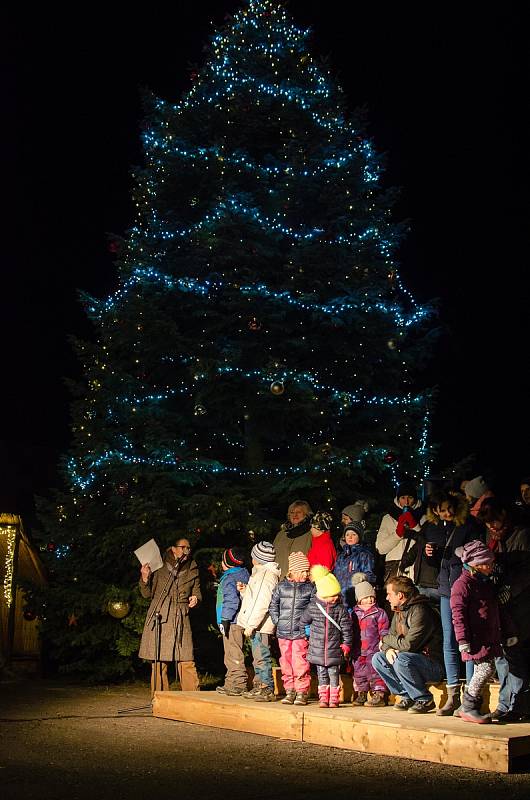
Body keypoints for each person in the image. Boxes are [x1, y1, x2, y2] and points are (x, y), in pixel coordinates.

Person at [410, 489, 480, 715]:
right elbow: (434, 562)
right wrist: (430, 553)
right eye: (441, 511)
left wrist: (460, 554)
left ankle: (471, 695)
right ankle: (453, 696)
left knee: (467, 639)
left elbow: (476, 556)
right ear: (435, 511)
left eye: (450, 509)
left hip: (465, 588)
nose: (446, 514)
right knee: (449, 640)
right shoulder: (433, 528)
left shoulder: (469, 526)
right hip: (445, 589)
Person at [451, 540, 517, 723]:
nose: (489, 567)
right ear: (473, 565)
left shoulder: (485, 583)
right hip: (475, 638)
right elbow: (458, 615)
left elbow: (497, 610)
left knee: (485, 669)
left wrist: (509, 632)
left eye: (490, 563)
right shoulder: (462, 585)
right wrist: (462, 639)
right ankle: (468, 706)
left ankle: (467, 706)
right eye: (484, 564)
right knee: (486, 668)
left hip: (489, 636)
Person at [477, 497, 530, 721]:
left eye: (495, 522)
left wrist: (510, 588)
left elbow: (527, 571)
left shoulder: (522, 534)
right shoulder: (491, 538)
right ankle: (505, 703)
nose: (492, 527)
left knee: (516, 655)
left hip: (521, 604)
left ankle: (518, 705)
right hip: (499, 602)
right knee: (501, 656)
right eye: (488, 524)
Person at [371, 575, 444, 714]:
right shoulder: (399, 611)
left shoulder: (421, 611)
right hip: (411, 661)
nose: (387, 598)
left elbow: (409, 645)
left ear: (400, 595)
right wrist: (387, 650)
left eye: (389, 594)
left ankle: (424, 699)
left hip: (432, 665)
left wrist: (386, 640)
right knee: (378, 658)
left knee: (401, 659)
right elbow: (391, 637)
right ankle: (406, 695)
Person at [138, 537, 202, 692]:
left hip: (181, 616)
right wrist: (145, 577)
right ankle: (160, 699)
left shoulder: (193, 567)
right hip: (161, 615)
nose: (187, 551)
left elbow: (197, 592)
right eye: (183, 547)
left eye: (189, 548)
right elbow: (146, 594)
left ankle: (193, 700)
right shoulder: (158, 565)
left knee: (186, 659)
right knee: (159, 661)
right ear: (173, 549)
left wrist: (196, 599)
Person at [300, 565, 353, 708]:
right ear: (322, 594)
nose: (335, 598)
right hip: (317, 649)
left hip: (334, 649)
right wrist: (307, 634)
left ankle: (334, 698)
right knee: (321, 674)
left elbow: (347, 629)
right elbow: (303, 622)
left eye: (337, 595)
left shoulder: (340, 610)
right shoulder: (313, 607)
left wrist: (346, 644)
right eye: (332, 595)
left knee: (334, 674)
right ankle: (323, 698)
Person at [236, 541, 281, 702]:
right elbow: (254, 598)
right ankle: (258, 685)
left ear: (259, 558)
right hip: (257, 624)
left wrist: (251, 625)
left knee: (262, 656)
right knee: (257, 656)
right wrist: (245, 591)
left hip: (261, 625)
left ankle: (266, 687)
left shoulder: (266, 576)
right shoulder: (259, 574)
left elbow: (262, 603)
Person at [269, 551, 314, 705]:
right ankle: (289, 690)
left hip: (300, 633)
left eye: (307, 572)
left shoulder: (309, 588)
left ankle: (302, 691)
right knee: (286, 661)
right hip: (283, 631)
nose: (306, 574)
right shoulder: (281, 587)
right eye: (303, 571)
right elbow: (273, 605)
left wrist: (307, 625)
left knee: (300, 661)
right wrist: (278, 620)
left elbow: (313, 608)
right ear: (293, 571)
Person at [350, 573, 390, 707]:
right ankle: (362, 693)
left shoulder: (379, 612)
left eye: (371, 597)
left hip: (373, 649)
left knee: (375, 672)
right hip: (358, 650)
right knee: (359, 672)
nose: (370, 600)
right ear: (359, 599)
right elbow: (351, 631)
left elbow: (384, 629)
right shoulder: (354, 613)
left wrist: (383, 640)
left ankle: (379, 694)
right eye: (366, 598)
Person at [215, 547, 250, 696]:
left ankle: (239, 683)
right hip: (235, 620)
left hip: (232, 622)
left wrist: (225, 619)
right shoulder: (242, 574)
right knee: (230, 653)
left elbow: (231, 601)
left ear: (227, 563)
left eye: (223, 560)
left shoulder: (230, 578)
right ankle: (230, 682)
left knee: (233, 652)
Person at [375, 481, 424, 586]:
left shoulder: (423, 516)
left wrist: (416, 526)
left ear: (415, 499)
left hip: (414, 566)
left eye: (410, 497)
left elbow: (426, 540)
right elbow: (380, 549)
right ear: (398, 499)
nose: (406, 502)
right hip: (393, 567)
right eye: (403, 498)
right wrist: (397, 534)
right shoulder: (388, 518)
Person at [334, 521, 376, 611]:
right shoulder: (341, 556)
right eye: (347, 534)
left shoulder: (364, 554)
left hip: (355, 596)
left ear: (359, 537)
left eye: (353, 534)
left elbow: (370, 575)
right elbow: (336, 573)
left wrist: (361, 580)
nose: (350, 537)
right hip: (341, 597)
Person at [273, 500, 314, 578]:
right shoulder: (282, 534)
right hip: (279, 580)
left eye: (299, 512)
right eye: (292, 512)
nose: (295, 515)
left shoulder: (311, 533)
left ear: (306, 514)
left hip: (300, 581)